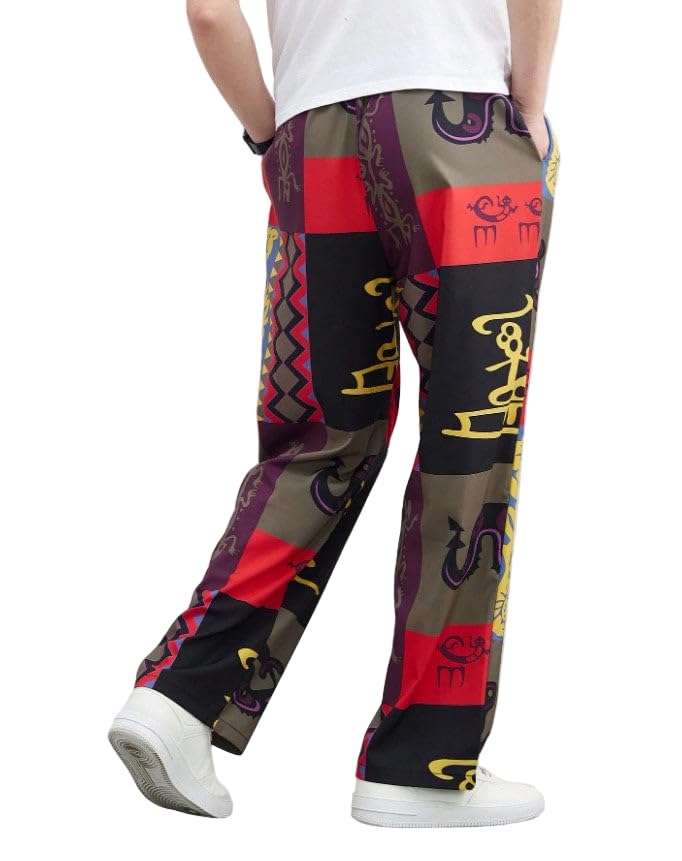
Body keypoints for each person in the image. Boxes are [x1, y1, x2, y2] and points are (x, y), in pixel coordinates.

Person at [108, 0, 562, 827]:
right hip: (463, 124)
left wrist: (269, 135)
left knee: (320, 441)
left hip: (313, 132)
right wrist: (528, 104)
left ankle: (178, 698)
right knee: (471, 442)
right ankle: (421, 764)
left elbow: (209, 14)